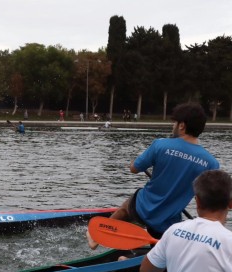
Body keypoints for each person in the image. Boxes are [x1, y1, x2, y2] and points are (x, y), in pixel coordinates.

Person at [87, 103, 219, 249]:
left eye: (174, 123)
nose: (172, 126)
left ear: (182, 126)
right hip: (168, 220)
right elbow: (208, 197)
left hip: (142, 207)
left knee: (126, 208)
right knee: (159, 251)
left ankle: (96, 239)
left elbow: (134, 169)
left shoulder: (161, 145)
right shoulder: (211, 163)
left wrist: (133, 162)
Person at [140, 169, 232, 272]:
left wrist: (167, 252)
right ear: (230, 204)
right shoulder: (229, 241)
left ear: (197, 201)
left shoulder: (172, 231)